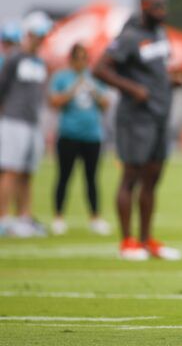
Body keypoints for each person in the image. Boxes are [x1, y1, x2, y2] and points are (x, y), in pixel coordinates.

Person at [94, 0, 182, 260]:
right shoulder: (129, 36)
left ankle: (146, 240)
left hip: (159, 115)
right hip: (135, 118)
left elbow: (155, 71)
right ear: (145, 7)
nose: (163, 12)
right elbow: (99, 69)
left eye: (165, 6)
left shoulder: (159, 33)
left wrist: (171, 81)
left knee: (152, 178)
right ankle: (127, 242)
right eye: (158, 7)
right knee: (130, 177)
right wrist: (131, 88)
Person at [49, 43, 111, 236]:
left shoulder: (94, 78)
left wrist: (92, 89)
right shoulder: (61, 77)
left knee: (91, 178)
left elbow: (105, 104)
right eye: (78, 58)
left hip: (92, 135)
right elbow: (54, 102)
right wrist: (74, 88)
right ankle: (58, 217)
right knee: (64, 177)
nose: (81, 62)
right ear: (71, 59)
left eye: (85, 58)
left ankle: (95, 217)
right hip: (68, 134)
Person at [0, 12, 52, 237]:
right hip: (13, 121)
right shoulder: (14, 58)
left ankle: (24, 217)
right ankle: (3, 218)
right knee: (10, 170)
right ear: (30, 33)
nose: (43, 38)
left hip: (32, 122)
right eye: (41, 34)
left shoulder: (39, 61)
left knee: (28, 172)